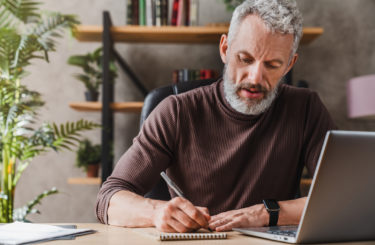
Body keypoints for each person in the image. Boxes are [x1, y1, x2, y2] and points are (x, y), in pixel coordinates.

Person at [96, 0, 336, 233]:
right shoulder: (176, 111)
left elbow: (344, 197)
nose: (254, 78)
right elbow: (109, 199)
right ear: (224, 49)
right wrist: (156, 212)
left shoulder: (305, 108)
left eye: (272, 65)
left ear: (289, 66)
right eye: (245, 59)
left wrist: (265, 213)